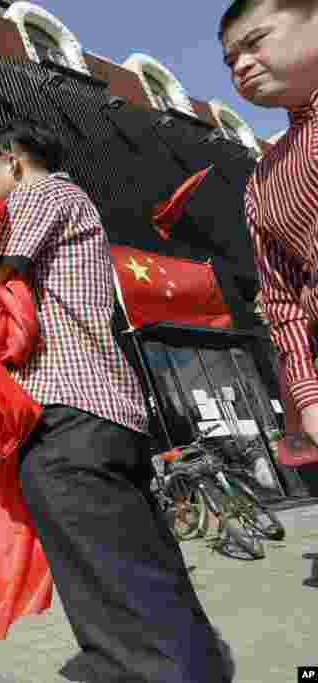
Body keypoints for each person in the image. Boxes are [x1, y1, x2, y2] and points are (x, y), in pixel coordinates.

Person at [0, 119, 232, 682]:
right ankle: (192, 664)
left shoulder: (44, 191)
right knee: (137, 562)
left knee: (109, 577)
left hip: (69, 412)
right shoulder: (73, 201)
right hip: (102, 412)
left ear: (12, 160)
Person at [220, 0, 318, 589]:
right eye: (230, 59)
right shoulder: (262, 179)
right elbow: (280, 301)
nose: (241, 65)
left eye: (255, 41)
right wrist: (307, 396)